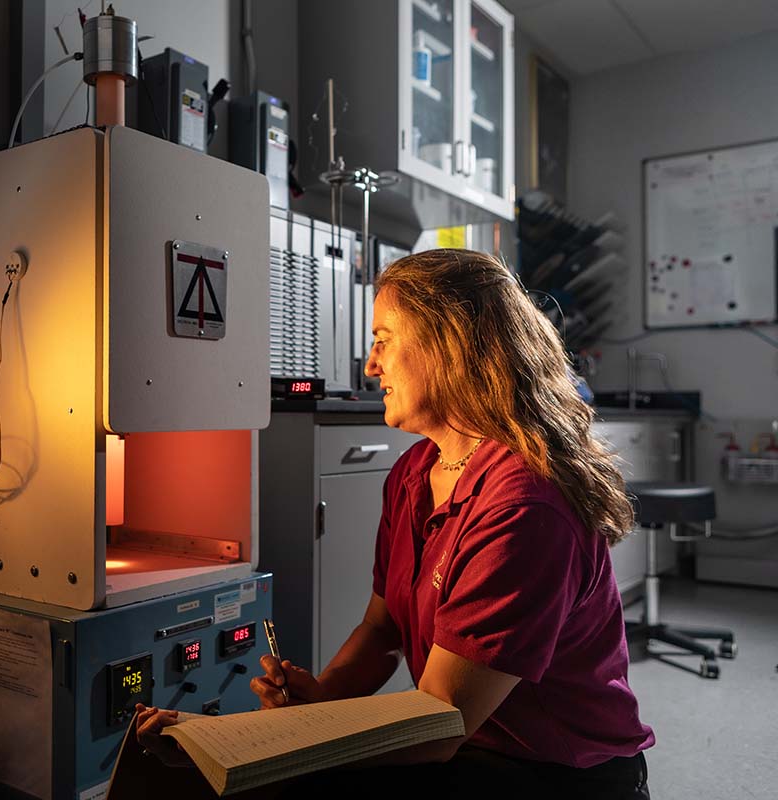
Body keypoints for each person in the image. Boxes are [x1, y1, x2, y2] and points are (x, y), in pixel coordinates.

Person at [137, 249, 653, 799]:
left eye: (383, 339)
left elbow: (440, 723)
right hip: (464, 743)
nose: (370, 365)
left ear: (450, 344)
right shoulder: (415, 471)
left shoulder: (523, 507)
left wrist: (241, 737)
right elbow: (382, 630)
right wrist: (325, 695)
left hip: (550, 772)